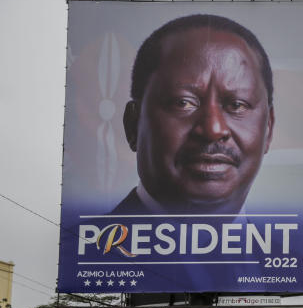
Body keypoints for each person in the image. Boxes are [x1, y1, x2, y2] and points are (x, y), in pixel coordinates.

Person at [116, 14, 275, 215]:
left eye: (236, 105)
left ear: (268, 129)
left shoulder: (288, 247)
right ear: (133, 125)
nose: (213, 130)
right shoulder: (82, 245)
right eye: (183, 103)